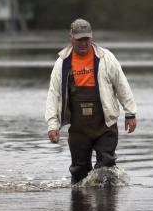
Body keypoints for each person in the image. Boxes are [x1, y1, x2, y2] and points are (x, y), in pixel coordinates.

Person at [45, 18, 137, 184]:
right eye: (79, 39)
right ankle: (80, 205)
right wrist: (53, 125)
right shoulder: (62, 63)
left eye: (86, 38)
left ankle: (107, 207)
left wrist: (130, 113)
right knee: (79, 173)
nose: (83, 43)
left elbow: (122, 85)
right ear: (71, 37)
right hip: (79, 128)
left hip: (105, 125)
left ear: (91, 37)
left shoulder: (106, 58)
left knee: (107, 168)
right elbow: (54, 95)